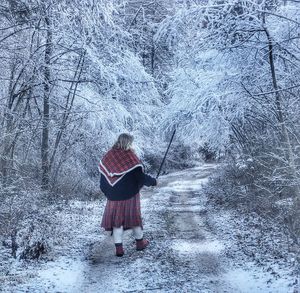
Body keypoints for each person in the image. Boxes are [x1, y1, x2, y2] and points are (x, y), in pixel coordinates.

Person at [99, 133, 157, 257]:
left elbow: (103, 180)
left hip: (113, 197)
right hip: (130, 196)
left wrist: (108, 193)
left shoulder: (108, 156)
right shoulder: (130, 157)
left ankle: (119, 249)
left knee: (117, 222)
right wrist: (153, 181)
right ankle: (140, 243)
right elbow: (140, 177)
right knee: (135, 220)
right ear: (129, 143)